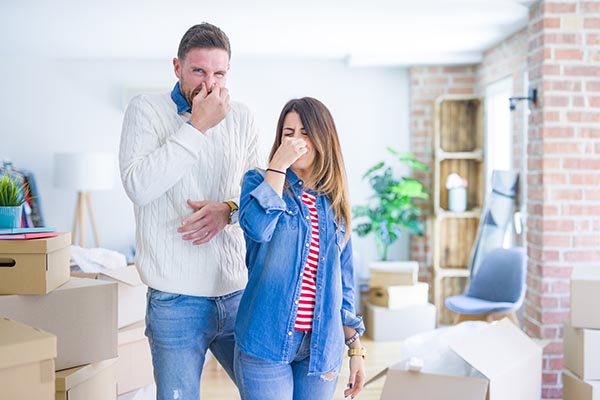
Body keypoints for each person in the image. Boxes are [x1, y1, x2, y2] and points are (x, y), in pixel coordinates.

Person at [119, 23, 262, 399]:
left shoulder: (243, 116)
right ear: (177, 67)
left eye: (219, 73)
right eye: (198, 70)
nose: (208, 84)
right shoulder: (146, 110)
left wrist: (228, 211)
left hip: (236, 291)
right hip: (174, 299)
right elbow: (139, 186)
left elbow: (259, 194)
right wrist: (197, 125)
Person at [234, 97, 366, 400]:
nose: (296, 141)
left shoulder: (335, 200)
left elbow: (344, 284)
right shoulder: (258, 181)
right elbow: (257, 228)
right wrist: (277, 166)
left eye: (305, 132)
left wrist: (355, 348)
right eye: (288, 133)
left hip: (322, 347)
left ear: (323, 138)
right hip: (266, 340)